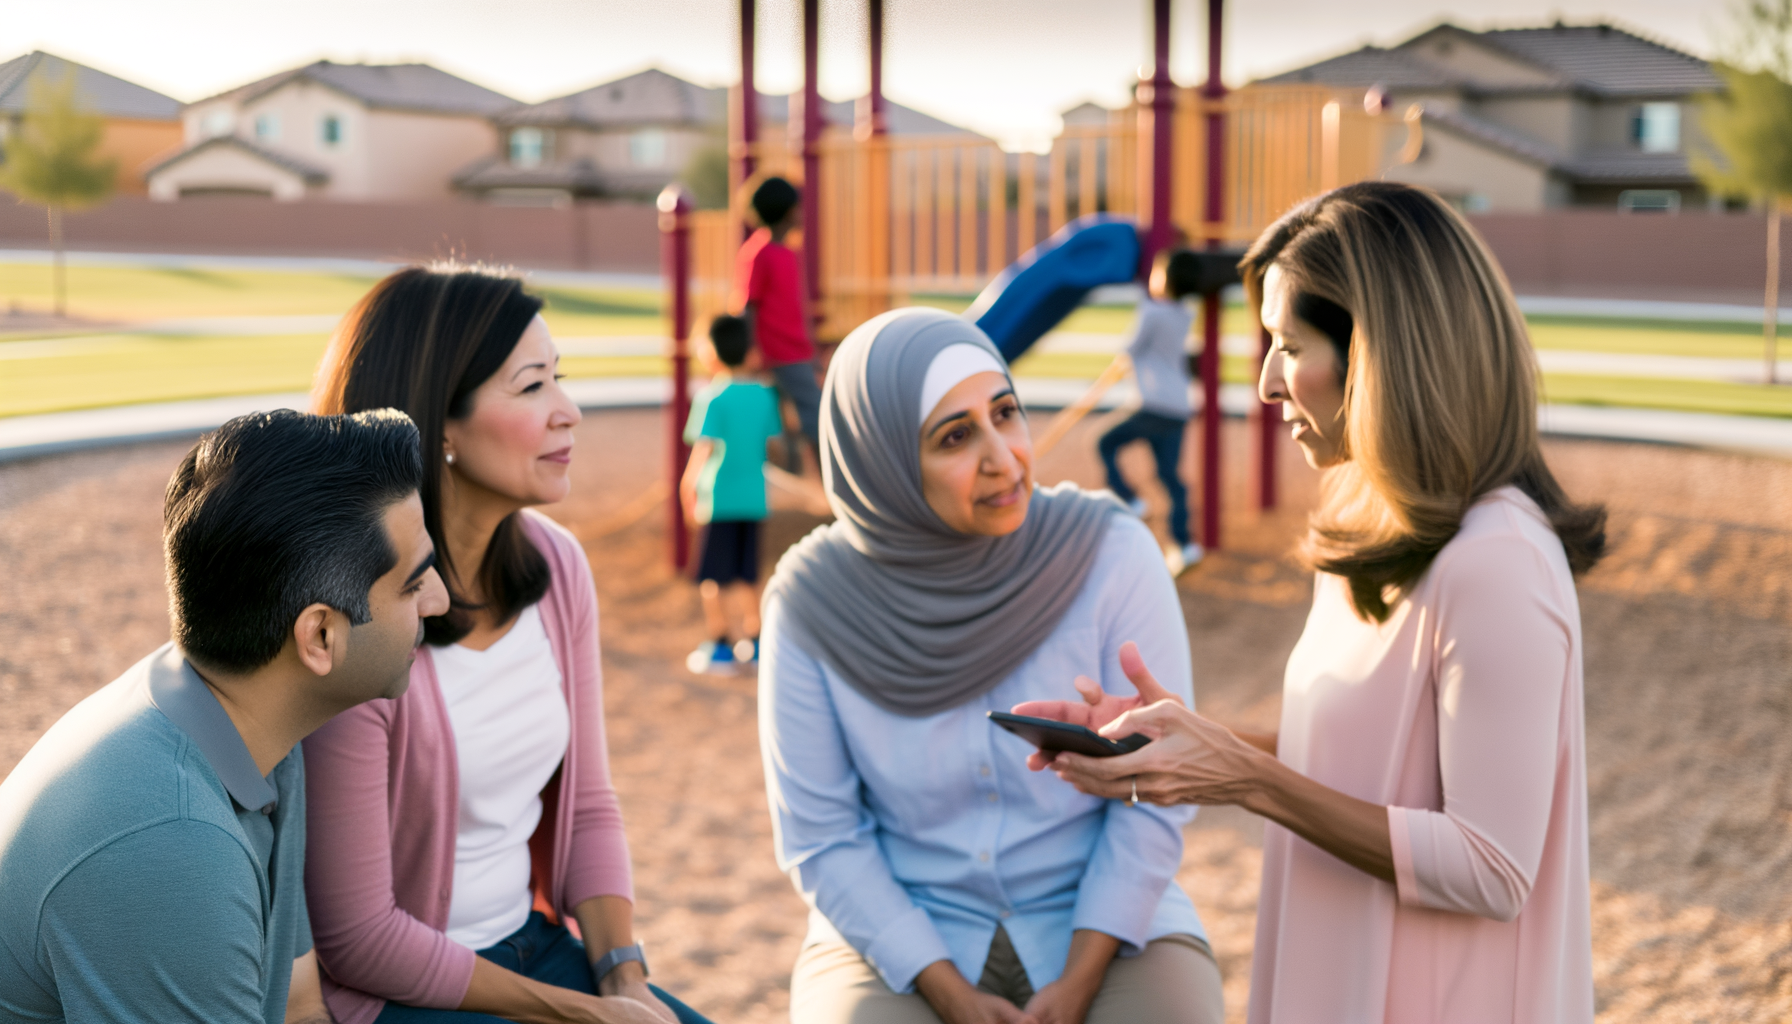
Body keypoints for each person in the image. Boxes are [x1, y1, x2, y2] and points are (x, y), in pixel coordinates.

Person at [1023, 182, 1606, 1024]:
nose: (1264, 383)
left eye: (1289, 346)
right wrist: (1191, 744)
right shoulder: (1363, 521)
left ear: (1386, 355)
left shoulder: (1499, 562)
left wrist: (1244, 778)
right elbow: (1366, 760)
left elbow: (1490, 868)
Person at [759, 307, 1224, 1024]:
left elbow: (1156, 800)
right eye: (954, 436)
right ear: (882, 459)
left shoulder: (1109, 554)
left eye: (1005, 413)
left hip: (1103, 917)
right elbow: (823, 838)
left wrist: (1078, 982)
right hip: (905, 927)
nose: (1004, 458)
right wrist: (946, 991)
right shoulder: (810, 604)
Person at [307, 265, 715, 1024]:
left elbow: (588, 802)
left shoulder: (558, 568)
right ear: (440, 425)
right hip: (401, 992)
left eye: (560, 378)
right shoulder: (351, 617)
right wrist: (575, 1011)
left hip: (533, 947)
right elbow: (356, 938)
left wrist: (623, 979)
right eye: (533, 388)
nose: (571, 412)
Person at [0, 408, 447, 1024]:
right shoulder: (171, 842)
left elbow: (296, 1005)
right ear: (319, 636)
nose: (441, 599)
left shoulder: (254, 718)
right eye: (413, 583)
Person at [681, 312, 785, 675]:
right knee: (748, 573)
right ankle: (755, 642)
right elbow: (772, 445)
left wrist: (687, 489)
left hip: (719, 498)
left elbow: (703, 452)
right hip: (754, 498)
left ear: (710, 354)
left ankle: (721, 642)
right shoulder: (764, 396)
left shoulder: (712, 397)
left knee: (714, 577)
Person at [1096, 249, 1202, 574]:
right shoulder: (1184, 315)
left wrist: (1122, 361)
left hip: (1154, 404)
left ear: (1165, 280)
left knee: (1105, 443)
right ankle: (1184, 545)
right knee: (1169, 476)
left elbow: (1131, 347)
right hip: (1178, 407)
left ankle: (1130, 498)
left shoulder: (1152, 313)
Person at [733, 175, 821, 470]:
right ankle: (835, 490)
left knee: (798, 417)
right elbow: (748, 306)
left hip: (796, 351)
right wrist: (749, 351)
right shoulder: (759, 253)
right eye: (798, 208)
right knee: (816, 417)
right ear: (787, 211)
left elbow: (793, 309)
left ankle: (799, 468)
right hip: (778, 353)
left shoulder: (787, 253)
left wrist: (811, 352)